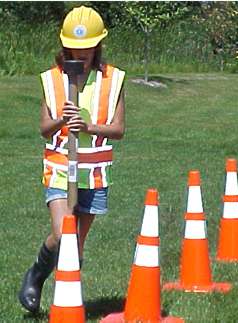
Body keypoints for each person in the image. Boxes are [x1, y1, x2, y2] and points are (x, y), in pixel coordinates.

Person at [18, 6, 125, 313]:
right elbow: (43, 128)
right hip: (60, 170)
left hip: (93, 174)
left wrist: (88, 126)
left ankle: (68, 303)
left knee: (75, 247)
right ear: (65, 45)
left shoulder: (112, 80)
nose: (81, 53)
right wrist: (61, 120)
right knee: (64, 234)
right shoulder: (53, 80)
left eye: (87, 47)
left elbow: (118, 130)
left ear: (98, 45)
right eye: (75, 48)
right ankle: (36, 277)